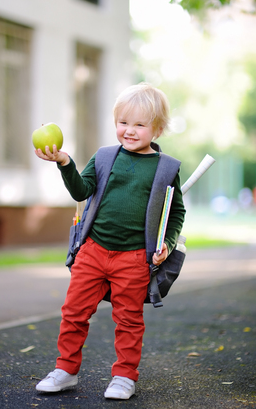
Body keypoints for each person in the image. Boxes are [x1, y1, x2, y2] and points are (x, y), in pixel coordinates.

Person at [34, 82, 186, 400]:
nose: (129, 131)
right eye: (123, 123)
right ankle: (65, 370)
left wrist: (167, 244)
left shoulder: (166, 169)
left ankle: (124, 376)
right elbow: (81, 191)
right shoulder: (104, 157)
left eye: (139, 125)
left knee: (129, 319)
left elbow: (176, 214)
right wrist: (65, 163)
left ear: (156, 129)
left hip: (133, 257)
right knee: (74, 312)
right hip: (93, 250)